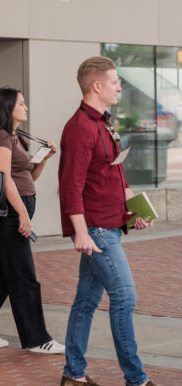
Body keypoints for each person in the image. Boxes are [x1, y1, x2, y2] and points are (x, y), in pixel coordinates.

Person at [59, 57, 156, 386]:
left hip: (109, 224)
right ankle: (136, 378)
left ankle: (73, 374)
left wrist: (134, 211)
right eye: (115, 82)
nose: (120, 87)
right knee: (125, 296)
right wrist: (81, 232)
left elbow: (114, 174)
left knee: (86, 302)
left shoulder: (104, 123)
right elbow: (71, 186)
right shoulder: (80, 128)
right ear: (97, 85)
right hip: (97, 230)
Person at [0, 87, 63, 354]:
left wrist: (44, 159)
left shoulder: (14, 137)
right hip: (7, 215)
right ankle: (36, 339)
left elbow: (28, 176)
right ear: (7, 108)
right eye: (21, 103)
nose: (26, 107)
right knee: (24, 277)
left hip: (15, 211)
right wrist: (21, 213)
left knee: (0, 278)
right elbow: (5, 178)